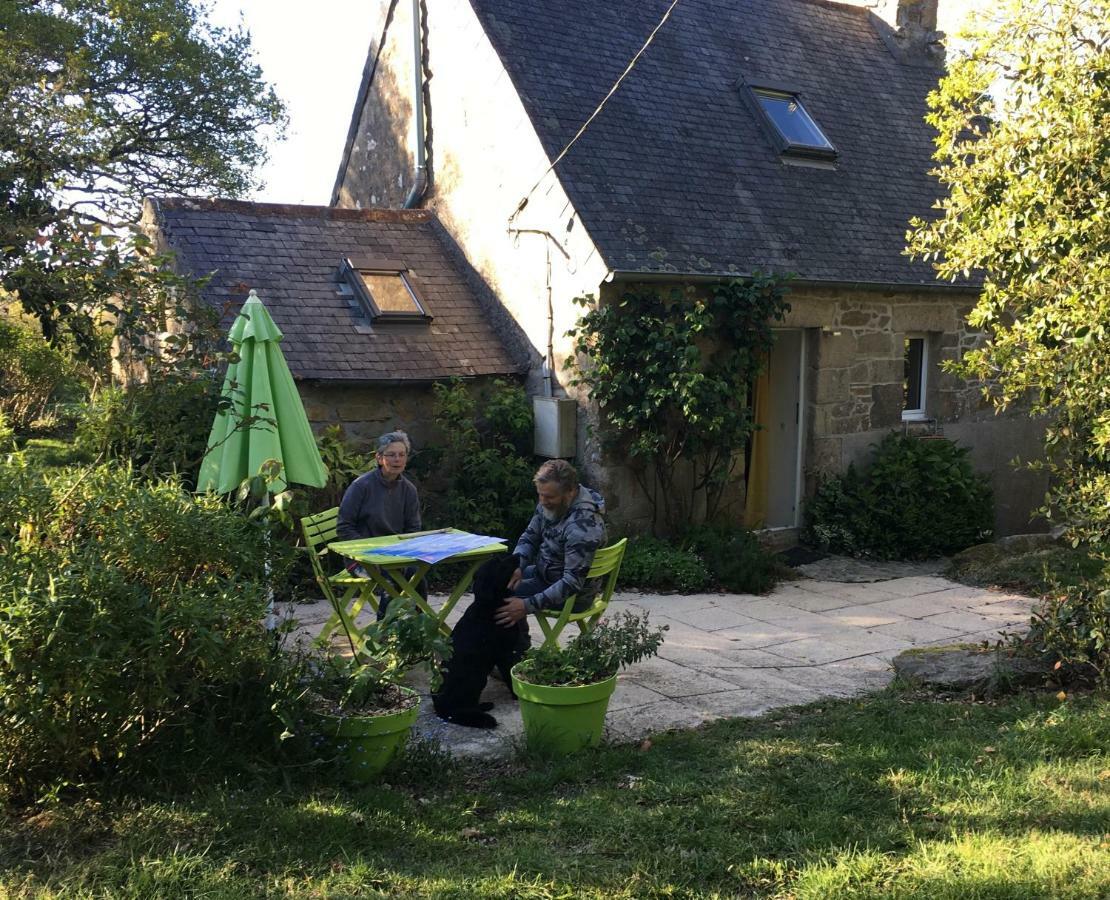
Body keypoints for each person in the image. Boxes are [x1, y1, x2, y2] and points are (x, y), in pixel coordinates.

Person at [493, 459, 607, 629]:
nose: (543, 501)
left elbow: (571, 583)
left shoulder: (582, 527)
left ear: (569, 492)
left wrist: (526, 606)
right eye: (540, 494)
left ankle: (510, 648)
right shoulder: (553, 502)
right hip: (545, 573)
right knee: (494, 581)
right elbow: (529, 537)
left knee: (496, 598)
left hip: (572, 597)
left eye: (549, 497)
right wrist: (516, 565)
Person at [337, 429, 423, 619]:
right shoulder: (361, 486)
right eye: (391, 455)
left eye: (402, 455)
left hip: (396, 556)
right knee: (391, 581)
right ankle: (383, 636)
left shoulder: (409, 490)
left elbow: (413, 529)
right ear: (379, 457)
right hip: (360, 558)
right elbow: (344, 527)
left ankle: (419, 633)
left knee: (418, 576)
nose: (397, 460)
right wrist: (368, 554)